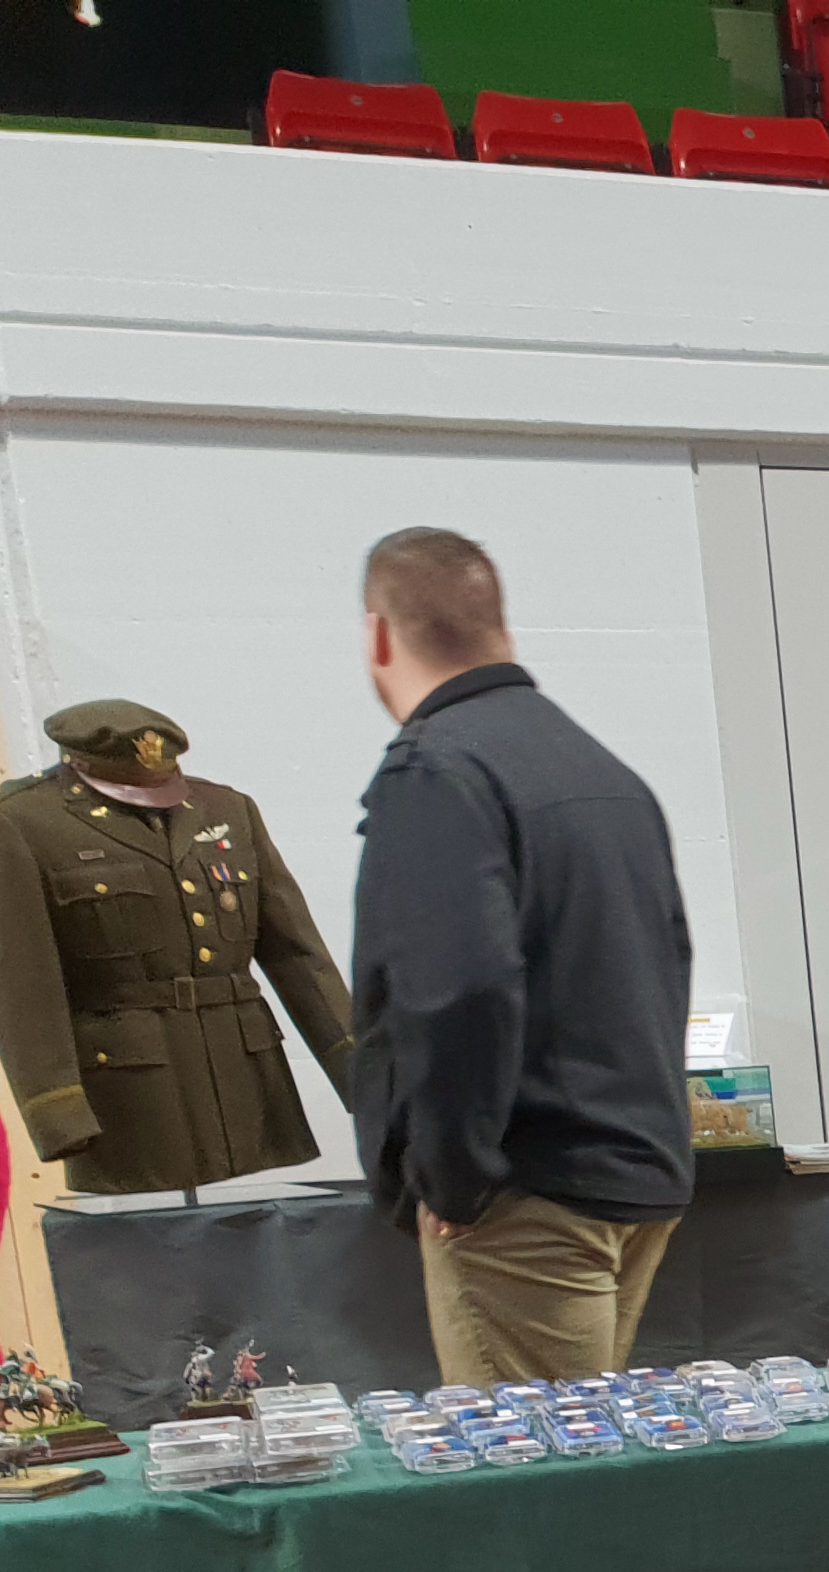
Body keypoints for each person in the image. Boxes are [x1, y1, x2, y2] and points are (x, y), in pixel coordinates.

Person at [346, 530, 695, 1386]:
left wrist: (452, 1178)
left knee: (529, 1461)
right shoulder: (602, 770)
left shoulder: (439, 769)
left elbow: (459, 988)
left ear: (378, 636)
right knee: (589, 1448)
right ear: (499, 626)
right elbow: (667, 961)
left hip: (525, 1195)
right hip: (630, 1168)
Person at [0, 698, 356, 1198]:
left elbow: (297, 953)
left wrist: (362, 1076)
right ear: (80, 763)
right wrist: (58, 1113)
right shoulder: (21, 820)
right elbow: (21, 984)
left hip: (249, 1083)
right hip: (133, 1099)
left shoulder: (227, 809)